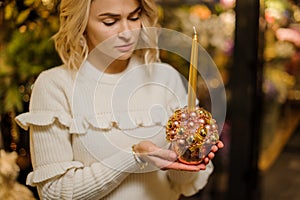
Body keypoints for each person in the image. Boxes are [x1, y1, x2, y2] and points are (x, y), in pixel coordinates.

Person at [15, 0, 224, 199]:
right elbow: (54, 193)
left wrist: (188, 157)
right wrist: (133, 157)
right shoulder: (55, 85)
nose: (127, 32)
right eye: (110, 21)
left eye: (134, 17)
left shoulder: (166, 77)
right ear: (81, 23)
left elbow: (183, 185)